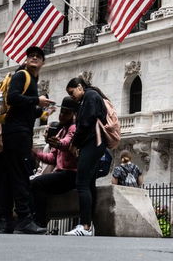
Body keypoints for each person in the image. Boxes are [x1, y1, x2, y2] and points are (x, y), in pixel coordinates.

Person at [0, 46, 53, 234]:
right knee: (21, 175)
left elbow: (23, 108)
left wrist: (42, 111)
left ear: (43, 62)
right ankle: (24, 219)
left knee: (11, 176)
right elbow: (13, 98)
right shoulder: (22, 75)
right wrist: (37, 101)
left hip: (17, 132)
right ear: (27, 59)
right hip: (17, 133)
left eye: (38, 56)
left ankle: (7, 221)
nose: (34, 58)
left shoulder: (32, 80)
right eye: (31, 56)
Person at [66, 76, 108, 236]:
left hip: (93, 142)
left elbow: (85, 123)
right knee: (89, 184)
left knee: (81, 183)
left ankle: (85, 226)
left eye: (72, 92)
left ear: (79, 87)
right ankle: (88, 225)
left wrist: (74, 142)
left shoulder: (90, 96)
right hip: (94, 144)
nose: (72, 96)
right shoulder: (90, 97)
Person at [32, 97, 79, 229]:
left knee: (37, 183)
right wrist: (35, 153)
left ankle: (39, 222)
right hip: (61, 173)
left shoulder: (73, 128)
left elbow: (67, 142)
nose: (62, 115)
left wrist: (58, 143)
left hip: (70, 174)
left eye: (66, 113)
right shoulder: (62, 130)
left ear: (73, 114)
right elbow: (52, 158)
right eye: (61, 112)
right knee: (34, 183)